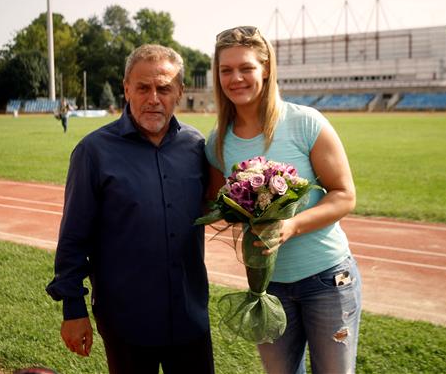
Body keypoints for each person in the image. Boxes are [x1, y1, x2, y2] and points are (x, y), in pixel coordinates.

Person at [46, 44, 214, 374]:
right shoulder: (93, 152)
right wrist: (73, 308)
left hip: (189, 317)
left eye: (164, 88)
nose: (154, 98)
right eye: (143, 87)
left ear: (179, 91)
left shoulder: (197, 148)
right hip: (127, 322)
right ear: (126, 89)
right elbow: (74, 237)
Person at [206, 26, 361, 374]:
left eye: (245, 67)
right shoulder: (217, 142)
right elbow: (217, 206)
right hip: (266, 287)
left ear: (265, 68)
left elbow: (344, 195)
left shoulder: (305, 123)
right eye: (226, 70)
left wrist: (290, 225)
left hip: (326, 278)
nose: (236, 78)